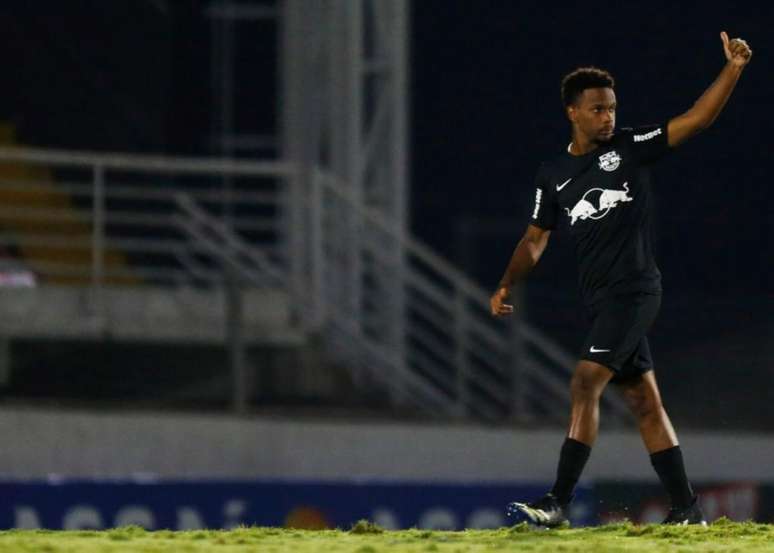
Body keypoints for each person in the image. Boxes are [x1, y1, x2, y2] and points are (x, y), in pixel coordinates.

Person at [490, 31, 752, 527]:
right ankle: (687, 509)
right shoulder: (555, 174)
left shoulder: (631, 148)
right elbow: (533, 240)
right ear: (572, 111)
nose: (608, 116)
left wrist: (733, 69)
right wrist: (506, 283)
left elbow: (696, 120)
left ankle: (557, 502)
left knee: (585, 382)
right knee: (642, 401)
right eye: (597, 109)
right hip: (601, 299)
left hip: (635, 292)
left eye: (611, 107)